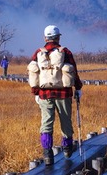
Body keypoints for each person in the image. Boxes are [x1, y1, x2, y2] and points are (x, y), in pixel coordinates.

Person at [28, 25, 82, 165]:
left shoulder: (38, 53)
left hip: (44, 94)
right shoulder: (65, 51)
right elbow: (73, 72)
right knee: (65, 122)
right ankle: (67, 149)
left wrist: (36, 92)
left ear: (45, 37)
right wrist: (78, 88)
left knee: (46, 123)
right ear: (58, 37)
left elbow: (34, 73)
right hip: (63, 93)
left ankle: (47, 154)